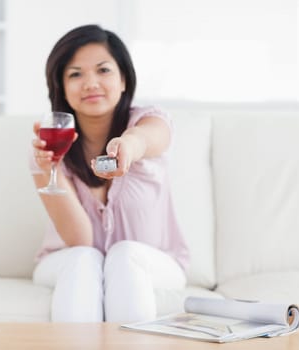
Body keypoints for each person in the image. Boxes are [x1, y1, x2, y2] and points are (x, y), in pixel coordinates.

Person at [30, 24, 189, 323]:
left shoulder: (149, 122)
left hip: (154, 262)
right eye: (75, 74)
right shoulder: (46, 147)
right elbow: (80, 239)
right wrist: (50, 168)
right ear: (61, 87)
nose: (90, 83)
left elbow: (148, 137)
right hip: (68, 260)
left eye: (103, 70)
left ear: (124, 79)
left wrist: (128, 145)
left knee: (125, 254)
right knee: (84, 259)